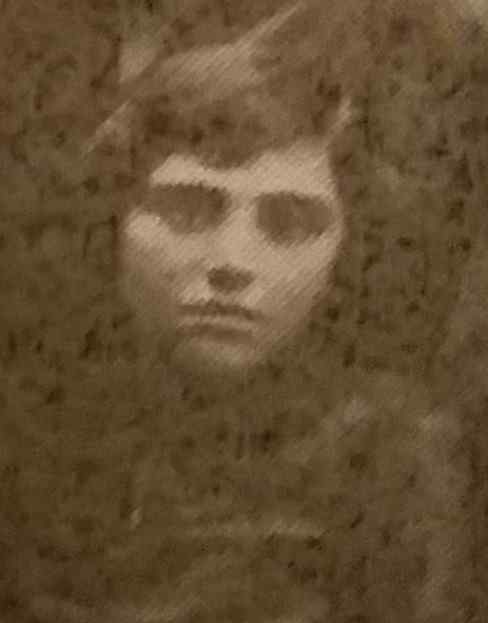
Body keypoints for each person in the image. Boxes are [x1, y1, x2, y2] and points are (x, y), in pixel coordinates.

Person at [12, 0, 487, 622]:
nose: (231, 261)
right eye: (187, 210)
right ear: (114, 227)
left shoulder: (390, 459)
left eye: (289, 224)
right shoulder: (31, 433)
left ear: (343, 251)